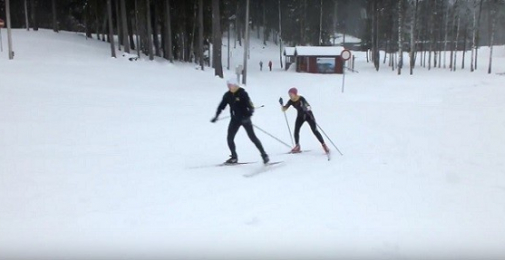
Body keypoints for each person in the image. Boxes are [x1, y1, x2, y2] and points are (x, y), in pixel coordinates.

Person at [211, 78, 270, 164]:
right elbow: (221, 106)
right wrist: (216, 116)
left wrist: (248, 116)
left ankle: (264, 155)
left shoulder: (242, 93)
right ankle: (234, 157)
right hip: (235, 120)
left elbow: (251, 106)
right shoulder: (227, 95)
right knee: (230, 138)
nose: (229, 87)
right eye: (228, 85)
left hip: (245, 119)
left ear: (235, 85)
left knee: (252, 137)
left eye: (230, 85)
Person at [281, 87, 330, 154]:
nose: (290, 96)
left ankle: (324, 145)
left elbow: (309, 107)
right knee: (296, 131)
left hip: (308, 116)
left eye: (291, 94)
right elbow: (284, 109)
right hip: (300, 117)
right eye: (289, 95)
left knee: (314, 130)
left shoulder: (301, 99)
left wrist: (305, 108)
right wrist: (282, 105)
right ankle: (297, 146)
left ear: (295, 94)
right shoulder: (291, 101)